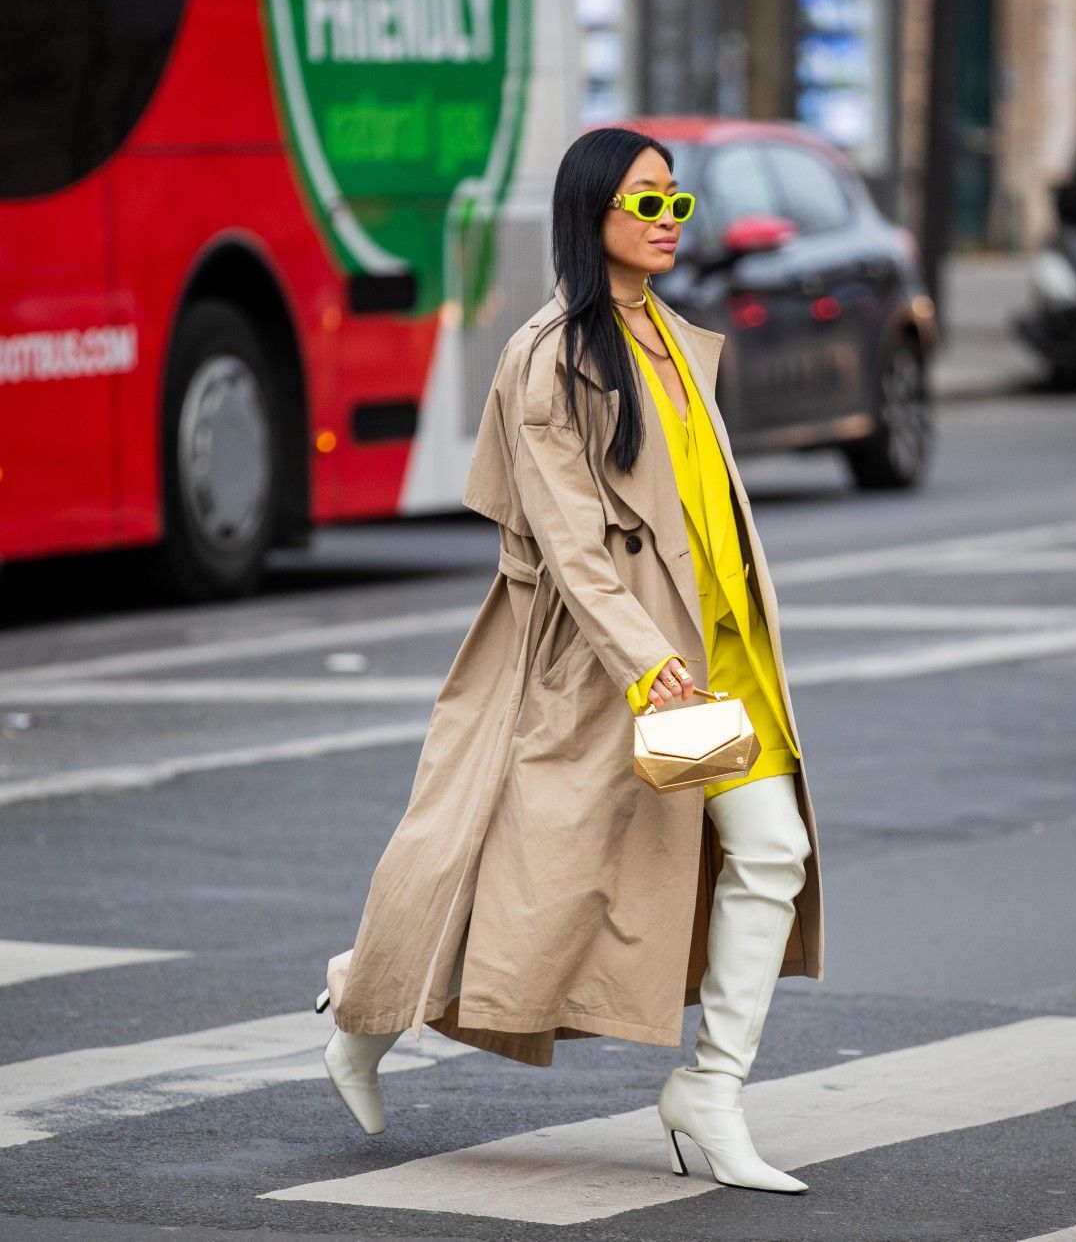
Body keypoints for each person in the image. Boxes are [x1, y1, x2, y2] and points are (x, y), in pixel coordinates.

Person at [315, 127, 824, 1196]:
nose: (665, 222)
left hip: (720, 662)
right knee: (513, 874)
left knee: (769, 852)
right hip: (610, 672)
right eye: (645, 204)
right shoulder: (551, 355)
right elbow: (571, 543)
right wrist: (646, 663)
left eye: (676, 205)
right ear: (589, 215)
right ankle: (365, 1001)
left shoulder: (677, 341)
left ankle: (711, 1091)